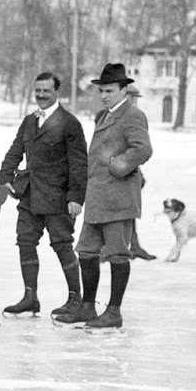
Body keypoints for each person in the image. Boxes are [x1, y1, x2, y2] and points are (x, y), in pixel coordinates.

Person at [55, 63, 152, 331]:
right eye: (102, 91)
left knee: (118, 254)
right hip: (98, 198)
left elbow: (143, 149)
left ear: (124, 90)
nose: (104, 95)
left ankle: (114, 312)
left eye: (109, 90)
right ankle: (88, 306)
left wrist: (118, 165)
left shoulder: (132, 115)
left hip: (118, 199)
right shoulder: (106, 116)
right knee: (86, 251)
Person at [0, 71, 88, 317]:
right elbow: (15, 151)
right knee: (25, 241)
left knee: (62, 244)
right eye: (38, 90)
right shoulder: (30, 120)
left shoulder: (69, 123)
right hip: (30, 194)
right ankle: (30, 297)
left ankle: (75, 298)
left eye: (46, 91)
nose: (41, 95)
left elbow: (79, 164)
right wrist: (5, 176)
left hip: (58, 196)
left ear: (57, 92)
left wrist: (75, 197)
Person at [124, 87, 158, 261]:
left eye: (136, 98)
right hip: (119, 169)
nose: (135, 101)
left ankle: (134, 245)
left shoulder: (133, 115)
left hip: (129, 168)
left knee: (128, 210)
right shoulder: (115, 116)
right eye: (132, 97)